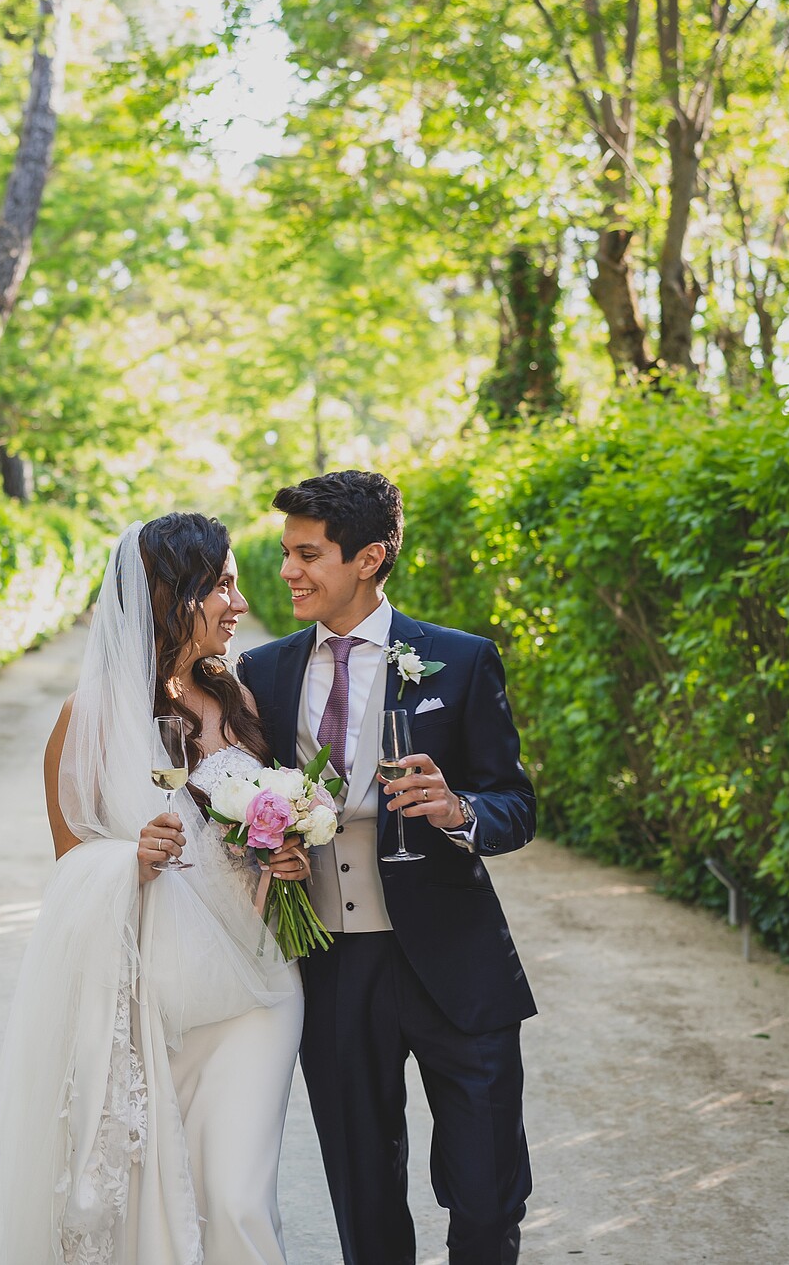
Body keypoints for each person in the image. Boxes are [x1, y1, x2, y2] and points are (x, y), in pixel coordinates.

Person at [0, 513, 311, 1265]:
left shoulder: (239, 701)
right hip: (153, 1000)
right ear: (172, 595)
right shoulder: (87, 719)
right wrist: (130, 859)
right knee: (159, 1197)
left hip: (258, 988)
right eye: (222, 586)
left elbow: (258, 836)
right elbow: (70, 869)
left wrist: (288, 857)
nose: (240, 603)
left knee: (237, 1197)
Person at [237, 470, 538, 1265]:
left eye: (308, 554)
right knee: (364, 1193)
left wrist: (460, 810)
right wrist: (269, 846)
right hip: (332, 966)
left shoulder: (460, 661)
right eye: (286, 552)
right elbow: (241, 807)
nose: (288, 571)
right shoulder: (263, 673)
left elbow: (516, 804)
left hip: (457, 962)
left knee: (487, 1190)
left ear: (369, 558)